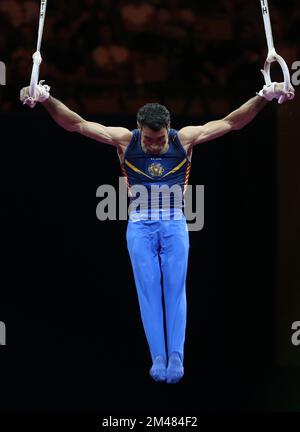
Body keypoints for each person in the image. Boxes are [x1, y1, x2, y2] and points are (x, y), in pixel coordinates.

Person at [20, 80, 294, 384]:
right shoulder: (125, 141)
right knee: (148, 290)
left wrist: (262, 96)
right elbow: (77, 124)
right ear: (139, 128)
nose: (153, 145)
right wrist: (46, 99)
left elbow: (231, 123)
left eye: (159, 139)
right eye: (149, 140)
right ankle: (158, 357)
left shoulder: (185, 140)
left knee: (175, 288)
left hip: (174, 222)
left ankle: (176, 354)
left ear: (169, 129)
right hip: (139, 223)